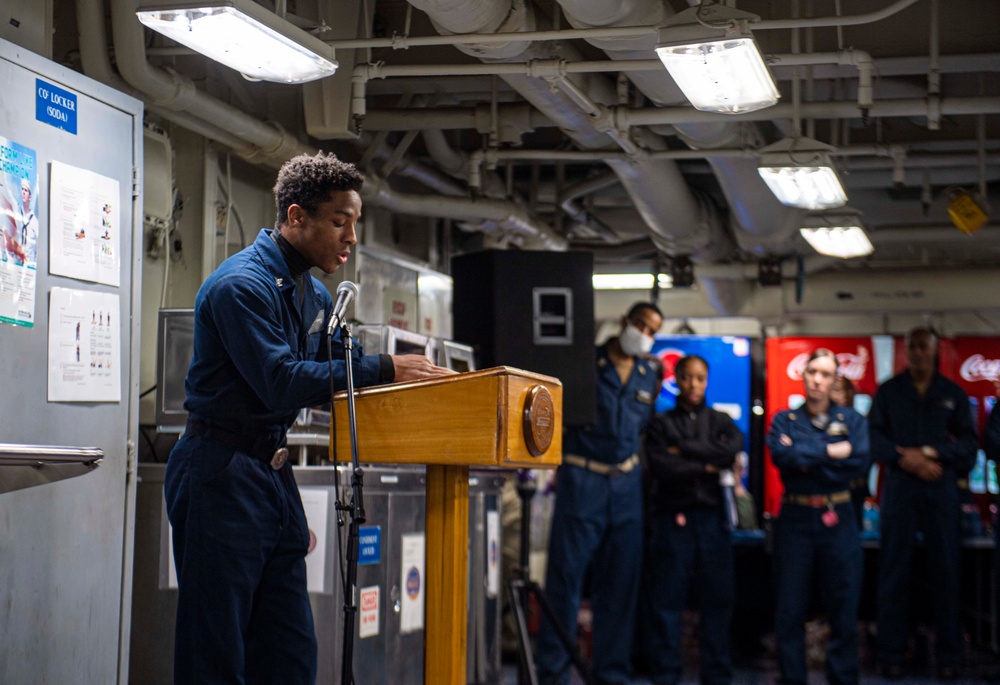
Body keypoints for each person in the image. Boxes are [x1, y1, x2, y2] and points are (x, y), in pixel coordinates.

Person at [163, 152, 451, 685]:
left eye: (354, 223)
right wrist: (386, 366)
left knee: (289, 649)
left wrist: (389, 376)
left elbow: (330, 367)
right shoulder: (240, 287)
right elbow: (281, 378)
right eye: (340, 221)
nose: (351, 238)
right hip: (219, 471)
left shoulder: (312, 292)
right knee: (216, 652)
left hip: (271, 472)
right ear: (297, 217)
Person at [536, 301, 663, 685]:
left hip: (626, 484)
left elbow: (643, 430)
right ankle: (554, 674)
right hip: (583, 477)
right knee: (565, 582)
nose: (645, 333)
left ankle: (612, 674)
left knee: (620, 586)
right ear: (624, 321)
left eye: (653, 330)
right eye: (640, 324)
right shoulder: (585, 362)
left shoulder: (648, 374)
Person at [868, 327, 978, 680]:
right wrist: (905, 459)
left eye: (923, 345)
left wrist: (931, 453)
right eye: (911, 346)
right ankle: (891, 654)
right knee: (893, 571)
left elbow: (968, 447)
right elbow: (872, 438)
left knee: (945, 570)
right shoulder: (889, 391)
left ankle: (949, 656)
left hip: (939, 486)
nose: (916, 351)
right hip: (900, 487)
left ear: (934, 350)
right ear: (905, 351)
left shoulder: (952, 393)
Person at [767, 348, 870, 685]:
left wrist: (804, 453)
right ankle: (793, 679)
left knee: (843, 606)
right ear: (804, 375)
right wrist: (829, 450)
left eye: (826, 374)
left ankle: (842, 679)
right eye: (813, 371)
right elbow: (783, 457)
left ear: (834, 379)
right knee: (789, 608)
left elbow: (858, 463)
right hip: (795, 516)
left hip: (838, 514)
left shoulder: (853, 422)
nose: (818, 379)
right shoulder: (785, 420)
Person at [644, 354, 743, 685]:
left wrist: (684, 450)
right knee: (666, 601)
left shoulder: (721, 421)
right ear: (677, 379)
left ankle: (716, 675)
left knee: (718, 600)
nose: (694, 384)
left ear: (707, 380)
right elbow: (662, 466)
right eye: (687, 377)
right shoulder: (661, 424)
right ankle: (665, 674)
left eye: (700, 378)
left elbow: (731, 454)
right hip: (673, 519)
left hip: (713, 521)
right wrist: (707, 463)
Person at [830, 376, 869, 527]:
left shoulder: (861, 422)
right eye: (838, 391)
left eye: (848, 390)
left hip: (855, 490)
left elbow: (865, 458)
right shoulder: (823, 421)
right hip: (829, 490)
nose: (844, 395)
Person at [18, 178, 38, 264]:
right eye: (22, 189)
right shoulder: (16, 214)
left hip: (29, 267)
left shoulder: (34, 221)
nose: (23, 192)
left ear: (30, 197)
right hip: (15, 265)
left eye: (25, 190)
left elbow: (38, 248)